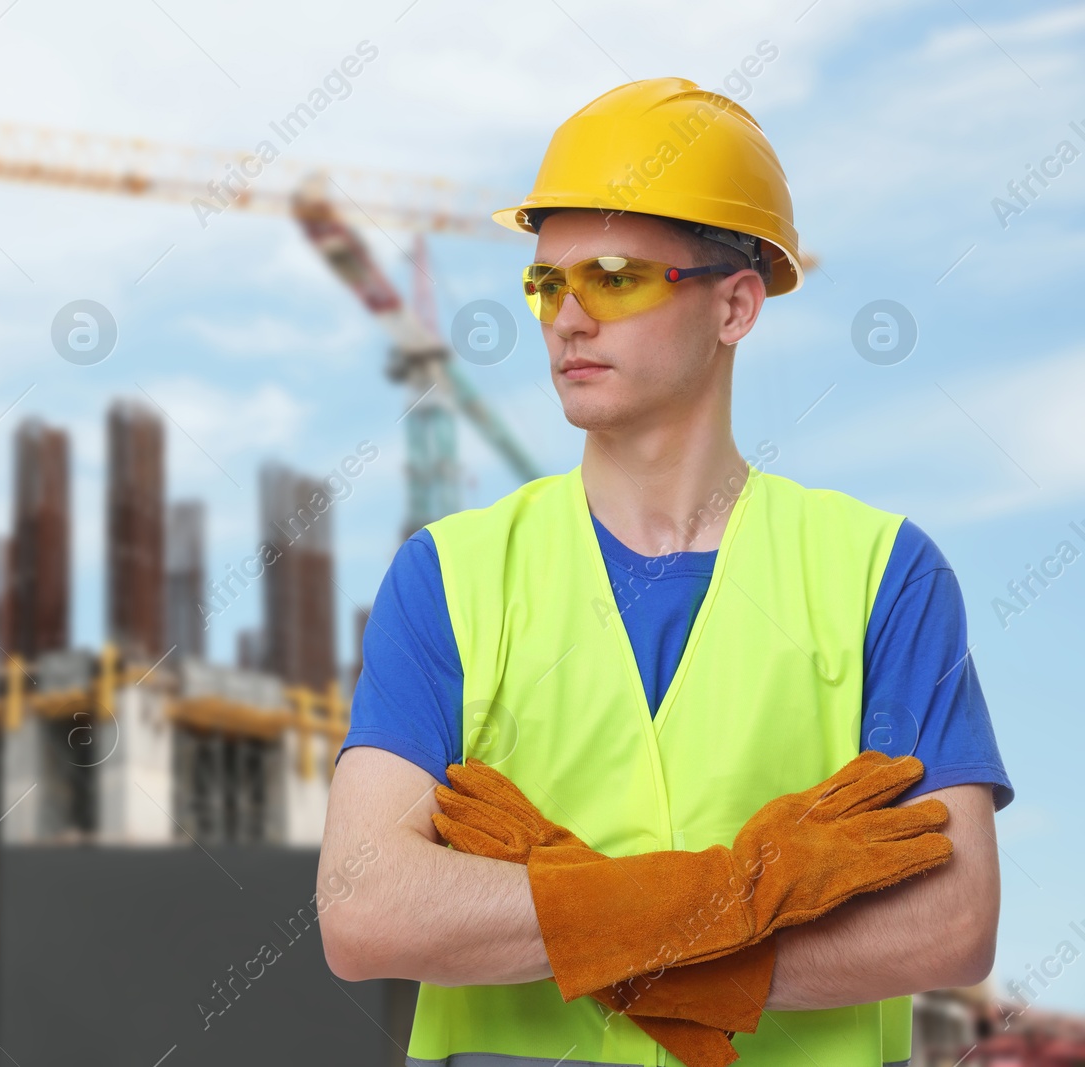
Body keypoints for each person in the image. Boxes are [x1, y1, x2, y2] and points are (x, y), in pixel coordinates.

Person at [317, 77, 1011, 1067]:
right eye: (548, 283)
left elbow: (949, 919)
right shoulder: (448, 577)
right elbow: (364, 906)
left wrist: (562, 907)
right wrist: (742, 894)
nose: (566, 318)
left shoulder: (882, 574)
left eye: (613, 276)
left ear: (734, 305)